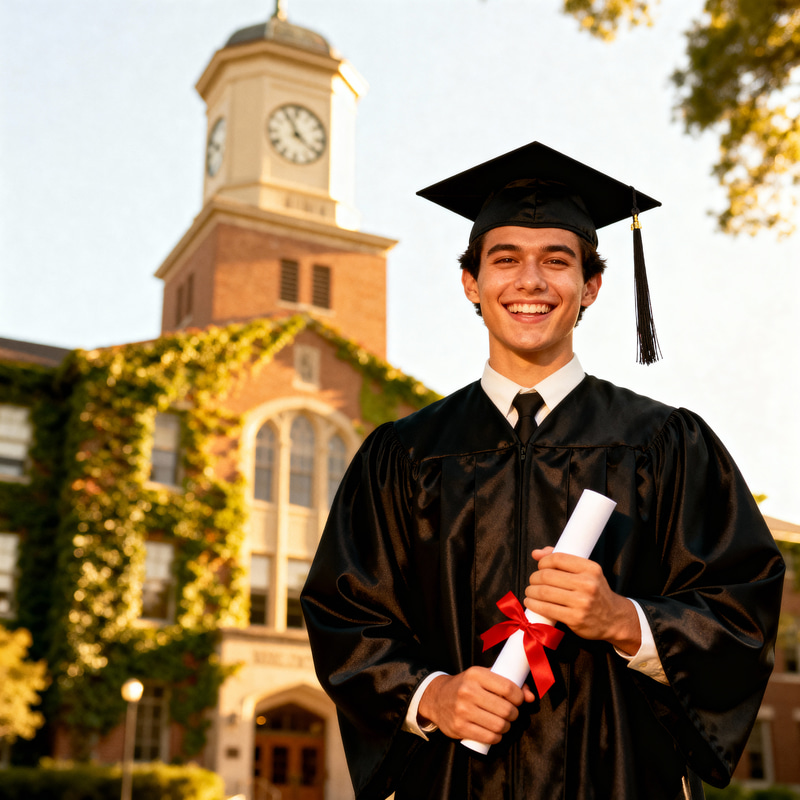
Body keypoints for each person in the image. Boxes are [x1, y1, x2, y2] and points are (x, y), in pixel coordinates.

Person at [301, 141, 785, 800]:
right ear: (472, 284)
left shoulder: (666, 443)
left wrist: (624, 620)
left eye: (556, 261)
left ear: (590, 287)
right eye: (505, 260)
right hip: (453, 783)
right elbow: (344, 615)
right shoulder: (404, 457)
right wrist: (431, 694)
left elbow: (742, 609)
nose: (529, 281)